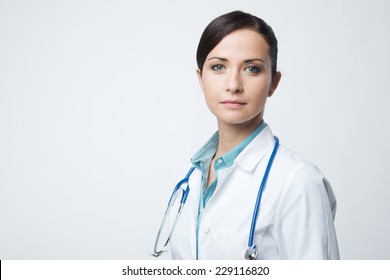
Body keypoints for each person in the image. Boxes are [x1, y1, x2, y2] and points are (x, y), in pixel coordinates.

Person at [165, 10, 339, 260]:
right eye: (218, 67)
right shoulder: (189, 176)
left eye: (252, 69)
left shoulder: (299, 183)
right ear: (200, 78)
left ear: (273, 83)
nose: (233, 84)